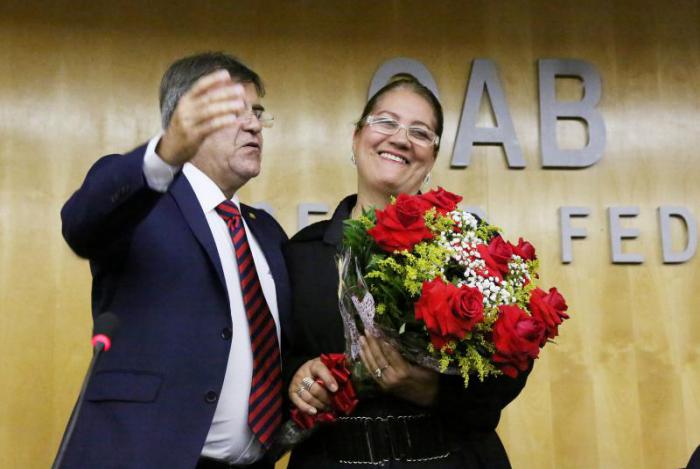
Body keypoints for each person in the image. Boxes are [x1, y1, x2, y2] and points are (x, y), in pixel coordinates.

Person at [283, 75, 529, 468]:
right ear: (356, 138)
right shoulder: (301, 253)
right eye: (386, 122)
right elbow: (267, 362)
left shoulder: (471, 248)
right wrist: (299, 379)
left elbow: (512, 366)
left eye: (420, 132)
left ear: (432, 157)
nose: (400, 138)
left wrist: (433, 391)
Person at [59, 52, 290, 469]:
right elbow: (81, 224)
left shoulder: (267, 233)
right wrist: (164, 155)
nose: (254, 125)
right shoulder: (141, 200)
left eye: (257, 113)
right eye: (235, 112)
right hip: (142, 457)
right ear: (185, 120)